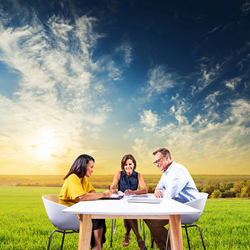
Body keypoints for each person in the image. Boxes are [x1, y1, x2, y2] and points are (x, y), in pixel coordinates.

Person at [144, 148, 200, 250]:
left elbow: (169, 195)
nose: (156, 164)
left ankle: (172, 246)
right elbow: (158, 187)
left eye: (158, 161)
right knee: (147, 218)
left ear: (167, 158)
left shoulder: (177, 171)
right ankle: (166, 247)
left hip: (187, 209)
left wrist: (162, 192)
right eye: (155, 162)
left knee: (151, 221)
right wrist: (158, 191)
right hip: (175, 207)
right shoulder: (166, 172)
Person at [59, 154, 111, 250]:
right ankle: (97, 247)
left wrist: (89, 196)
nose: (92, 170)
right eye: (91, 167)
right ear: (83, 165)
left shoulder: (82, 179)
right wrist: (103, 194)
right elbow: (82, 197)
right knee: (97, 215)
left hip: (79, 212)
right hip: (68, 215)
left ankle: (97, 246)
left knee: (99, 215)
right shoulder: (73, 178)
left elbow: (92, 192)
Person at [110, 154, 147, 250]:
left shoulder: (138, 175)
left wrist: (134, 192)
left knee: (129, 211)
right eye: (125, 165)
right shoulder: (119, 174)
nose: (127, 167)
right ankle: (139, 239)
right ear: (123, 166)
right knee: (127, 211)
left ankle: (127, 234)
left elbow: (144, 190)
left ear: (134, 164)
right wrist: (113, 190)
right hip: (121, 201)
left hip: (133, 201)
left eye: (130, 164)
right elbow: (112, 186)